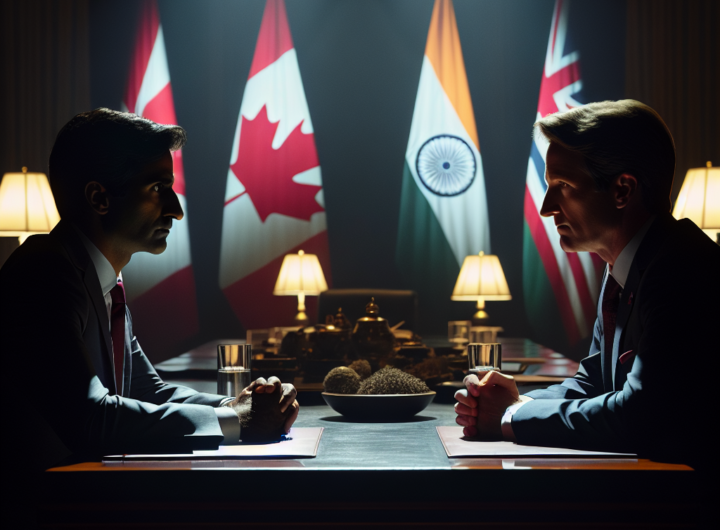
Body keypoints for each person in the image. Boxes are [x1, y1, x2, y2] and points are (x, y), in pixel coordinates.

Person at [0, 108, 299, 472]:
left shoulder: (101, 281)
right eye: (159, 188)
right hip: (36, 511)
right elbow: (91, 418)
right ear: (99, 198)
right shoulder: (45, 272)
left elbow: (150, 392)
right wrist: (236, 422)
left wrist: (234, 405)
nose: (175, 210)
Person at [454, 100, 719, 466]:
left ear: (622, 190)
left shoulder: (679, 269)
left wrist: (509, 416)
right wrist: (517, 401)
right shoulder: (629, 268)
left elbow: (642, 415)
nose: (547, 206)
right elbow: (593, 383)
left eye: (562, 184)